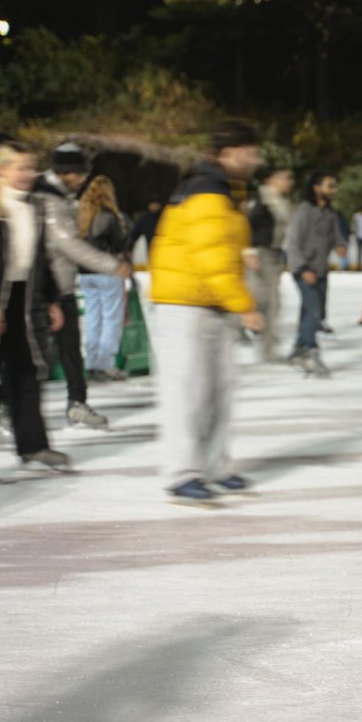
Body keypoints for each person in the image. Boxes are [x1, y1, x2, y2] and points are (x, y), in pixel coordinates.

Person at [149, 119, 264, 504]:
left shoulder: (228, 191)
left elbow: (227, 254)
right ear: (228, 153)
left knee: (219, 390)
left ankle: (214, 466)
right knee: (188, 392)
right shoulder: (207, 191)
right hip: (183, 304)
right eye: (248, 152)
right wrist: (244, 304)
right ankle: (182, 473)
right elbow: (212, 257)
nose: (254, 158)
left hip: (209, 303)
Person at [0, 142, 72, 482]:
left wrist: (51, 299)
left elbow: (41, 260)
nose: (28, 174)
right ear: (2, 170)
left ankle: (32, 446)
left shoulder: (34, 206)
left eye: (32, 167)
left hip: (25, 299)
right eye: (21, 167)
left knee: (28, 374)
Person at [29, 143, 129, 430]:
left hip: (61, 285)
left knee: (70, 349)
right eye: (80, 173)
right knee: (35, 354)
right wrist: (111, 265)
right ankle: (4, 402)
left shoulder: (63, 197)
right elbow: (67, 243)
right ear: (66, 171)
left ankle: (77, 403)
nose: (83, 179)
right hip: (40, 286)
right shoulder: (46, 198)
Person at [285, 171, 344, 374]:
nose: (333, 190)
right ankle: (310, 350)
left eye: (334, 186)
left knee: (308, 311)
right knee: (314, 311)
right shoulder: (304, 211)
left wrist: (340, 245)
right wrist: (302, 269)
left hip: (320, 270)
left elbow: (337, 236)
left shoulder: (330, 214)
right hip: (304, 270)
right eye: (329, 185)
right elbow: (293, 244)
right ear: (316, 188)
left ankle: (298, 348)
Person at [77, 175, 129, 382]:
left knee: (92, 318)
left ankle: (91, 363)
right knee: (111, 319)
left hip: (86, 272)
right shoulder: (109, 216)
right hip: (107, 270)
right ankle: (105, 364)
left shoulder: (82, 216)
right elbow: (119, 243)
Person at [243, 166, 294, 362]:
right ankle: (267, 347)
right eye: (284, 177)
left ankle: (266, 342)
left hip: (274, 255)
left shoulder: (279, 200)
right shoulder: (262, 199)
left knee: (270, 302)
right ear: (270, 180)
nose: (288, 182)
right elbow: (248, 225)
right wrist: (249, 251)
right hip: (260, 254)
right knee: (269, 302)